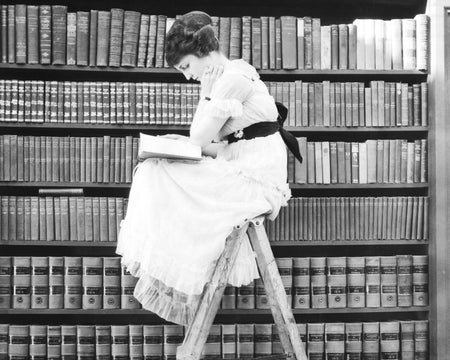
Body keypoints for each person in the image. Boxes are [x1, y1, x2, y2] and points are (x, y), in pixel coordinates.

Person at [116, 10, 302, 326]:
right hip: (244, 167)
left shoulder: (231, 79)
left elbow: (200, 137)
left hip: (256, 181)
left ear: (203, 52)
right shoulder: (230, 76)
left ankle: (179, 260)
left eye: (187, 66)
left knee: (155, 172)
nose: (188, 76)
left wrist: (205, 97)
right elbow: (216, 145)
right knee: (158, 167)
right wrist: (184, 143)